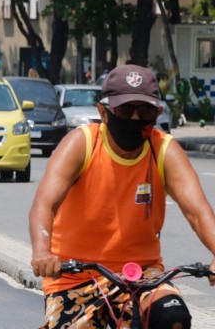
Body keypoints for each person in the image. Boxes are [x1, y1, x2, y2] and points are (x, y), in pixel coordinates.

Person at [29, 64, 215, 328]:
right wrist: (42, 252)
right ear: (103, 112)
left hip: (143, 274)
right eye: (126, 110)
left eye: (146, 111)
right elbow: (44, 205)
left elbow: (197, 211)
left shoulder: (163, 149)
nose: (136, 118)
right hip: (75, 276)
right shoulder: (82, 143)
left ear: (158, 113)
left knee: (173, 318)